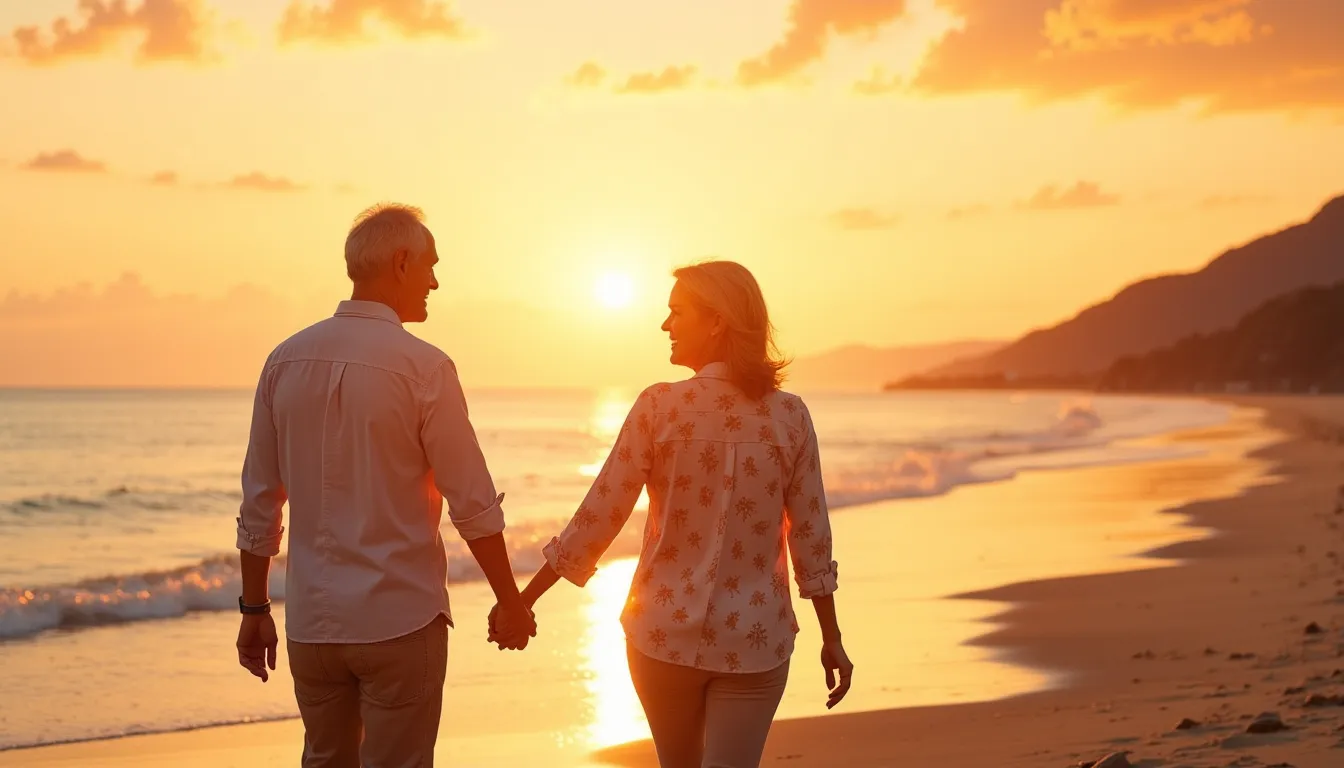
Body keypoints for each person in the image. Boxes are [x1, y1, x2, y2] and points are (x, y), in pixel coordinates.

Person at [501, 260, 853, 768]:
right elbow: (812, 536)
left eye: (676, 312)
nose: (665, 325)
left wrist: (523, 602)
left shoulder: (657, 408)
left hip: (660, 633)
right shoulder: (789, 415)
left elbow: (598, 517)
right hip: (754, 640)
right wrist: (832, 638)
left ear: (717, 321)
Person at [234, 203, 536, 768]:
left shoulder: (284, 360)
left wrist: (254, 608)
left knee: (325, 760)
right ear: (401, 263)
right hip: (399, 621)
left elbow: (260, 502)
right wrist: (509, 600)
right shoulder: (425, 368)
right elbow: (471, 500)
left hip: (312, 628)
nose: (435, 281)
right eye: (429, 266)